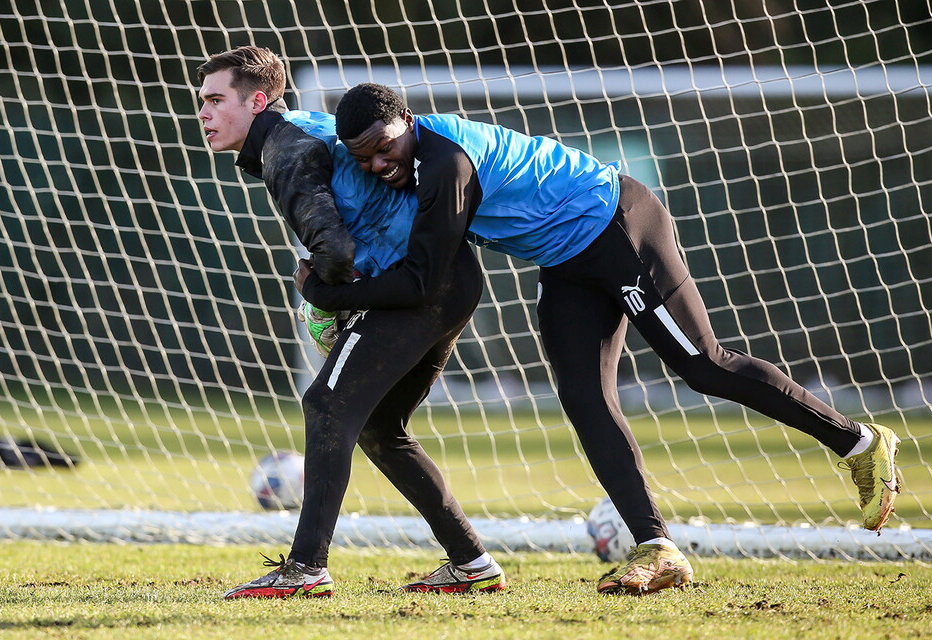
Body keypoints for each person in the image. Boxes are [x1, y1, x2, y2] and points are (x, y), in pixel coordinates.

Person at [299, 82, 904, 596]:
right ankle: (658, 548)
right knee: (585, 397)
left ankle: (858, 442)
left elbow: (426, 279)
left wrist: (329, 295)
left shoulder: (446, 162)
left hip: (615, 225)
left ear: (408, 121)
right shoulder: (408, 162)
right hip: (565, 261)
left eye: (385, 148)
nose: (378, 164)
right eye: (364, 158)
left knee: (703, 365)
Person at [196, 47, 505, 598]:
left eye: (217, 100)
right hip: (446, 283)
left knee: (328, 405)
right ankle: (471, 562)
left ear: (258, 101)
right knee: (378, 427)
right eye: (203, 102)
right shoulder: (296, 132)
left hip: (415, 291)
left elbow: (334, 252)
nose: (205, 113)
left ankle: (306, 567)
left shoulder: (284, 151)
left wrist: (318, 297)